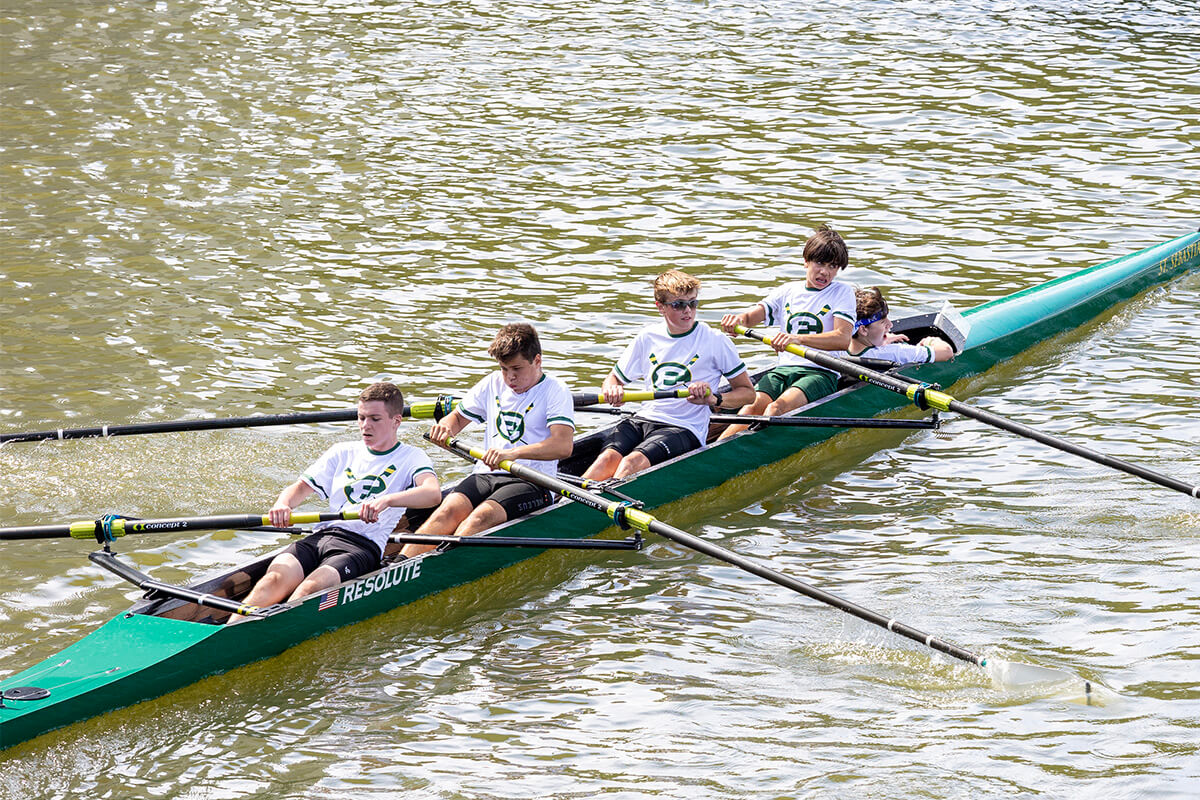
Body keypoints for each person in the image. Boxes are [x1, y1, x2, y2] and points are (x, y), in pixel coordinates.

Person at [239, 382, 441, 611]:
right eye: (361, 417)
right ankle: (228, 636)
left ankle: (261, 636)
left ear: (396, 421)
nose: (365, 426)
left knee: (308, 591)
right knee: (271, 580)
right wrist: (282, 505)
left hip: (361, 547)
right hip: (320, 536)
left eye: (375, 419)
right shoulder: (342, 451)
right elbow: (300, 489)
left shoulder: (412, 457)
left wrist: (387, 500)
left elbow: (432, 493)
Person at [400, 323, 575, 558]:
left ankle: (434, 569)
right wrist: (446, 428)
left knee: (479, 518)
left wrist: (512, 454)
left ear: (537, 361)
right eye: (504, 369)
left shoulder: (556, 391)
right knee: (446, 513)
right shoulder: (493, 382)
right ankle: (399, 567)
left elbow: (563, 446)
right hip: (485, 474)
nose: (510, 377)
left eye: (516, 369)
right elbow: (458, 418)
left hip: (534, 481)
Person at [581, 270, 756, 481]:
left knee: (630, 463)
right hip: (643, 418)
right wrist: (612, 388)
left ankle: (598, 509)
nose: (688, 311)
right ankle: (563, 506)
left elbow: (748, 394)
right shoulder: (647, 337)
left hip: (684, 427)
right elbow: (614, 378)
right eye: (678, 305)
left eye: (692, 303)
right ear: (660, 307)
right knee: (605, 460)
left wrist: (714, 399)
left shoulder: (715, 340)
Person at [717, 224, 856, 439]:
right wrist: (737, 320)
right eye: (819, 263)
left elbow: (843, 339)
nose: (825, 272)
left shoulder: (842, 292)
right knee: (748, 411)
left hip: (820, 372)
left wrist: (796, 339)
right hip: (782, 370)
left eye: (833, 266)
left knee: (774, 410)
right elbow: (750, 317)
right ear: (806, 261)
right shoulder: (786, 291)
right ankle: (715, 451)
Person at [843, 286, 955, 364]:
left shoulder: (837, 349)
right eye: (883, 322)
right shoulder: (895, 352)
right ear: (863, 330)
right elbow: (946, 352)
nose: (890, 325)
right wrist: (929, 340)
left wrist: (883, 340)